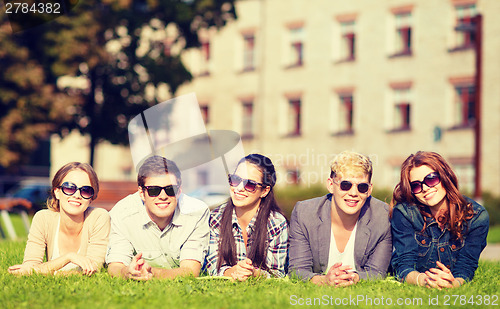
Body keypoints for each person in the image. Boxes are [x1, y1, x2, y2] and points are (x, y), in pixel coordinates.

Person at [289, 151, 392, 286]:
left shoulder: (383, 216)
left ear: (369, 190)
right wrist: (324, 280)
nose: (354, 193)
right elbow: (298, 270)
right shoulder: (305, 213)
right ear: (331, 185)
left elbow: (377, 272)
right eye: (345, 185)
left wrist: (355, 278)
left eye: (362, 187)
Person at [390, 151, 489, 289]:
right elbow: (404, 264)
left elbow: (467, 265)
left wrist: (454, 283)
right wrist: (423, 280)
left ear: (445, 176)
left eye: (431, 179)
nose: (425, 188)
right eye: (416, 185)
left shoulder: (477, 217)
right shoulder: (405, 213)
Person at [106, 155, 209, 280]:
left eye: (170, 189)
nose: (163, 196)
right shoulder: (122, 213)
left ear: (179, 191)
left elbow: (190, 270)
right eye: (154, 190)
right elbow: (116, 265)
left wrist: (151, 272)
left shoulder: (196, 213)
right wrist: (127, 272)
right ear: (141, 193)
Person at [8, 162, 110, 276]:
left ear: (91, 198)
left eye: (86, 190)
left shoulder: (99, 217)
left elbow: (93, 268)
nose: (77, 195)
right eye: (69, 188)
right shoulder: (43, 219)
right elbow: (29, 265)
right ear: (57, 192)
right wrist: (68, 257)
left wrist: (47, 272)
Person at [204, 154, 288, 280]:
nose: (239, 188)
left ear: (264, 191)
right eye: (235, 179)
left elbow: (277, 273)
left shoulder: (276, 223)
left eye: (250, 184)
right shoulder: (216, 218)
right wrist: (233, 271)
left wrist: (253, 273)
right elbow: (213, 267)